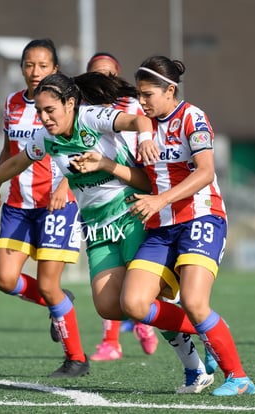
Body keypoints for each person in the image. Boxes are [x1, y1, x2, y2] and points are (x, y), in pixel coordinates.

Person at [0, 71, 212, 393]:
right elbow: (15, 163)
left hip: (130, 214)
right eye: (39, 112)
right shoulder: (47, 138)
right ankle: (207, 329)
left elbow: (139, 121)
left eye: (50, 110)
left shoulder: (92, 117)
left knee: (142, 300)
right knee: (108, 306)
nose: (44, 118)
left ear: (71, 103)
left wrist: (146, 139)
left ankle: (196, 367)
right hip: (97, 227)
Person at [73, 56, 255, 396]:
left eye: (148, 95)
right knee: (135, 304)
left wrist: (160, 199)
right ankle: (208, 333)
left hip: (202, 219)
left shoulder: (192, 117)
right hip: (161, 228)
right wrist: (107, 164)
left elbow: (206, 172)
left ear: (170, 90)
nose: (142, 102)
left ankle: (239, 377)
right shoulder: (146, 127)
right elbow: (144, 178)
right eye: (139, 95)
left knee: (194, 300)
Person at [0, 38, 88, 378]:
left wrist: (65, 184)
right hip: (18, 205)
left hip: (56, 204)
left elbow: (82, 148)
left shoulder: (67, 104)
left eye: (43, 65)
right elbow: (9, 150)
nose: (34, 71)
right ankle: (60, 301)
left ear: (54, 69)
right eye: (29, 65)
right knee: (3, 278)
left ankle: (76, 359)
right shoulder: (13, 103)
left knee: (47, 284)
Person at [85, 52, 159, 360]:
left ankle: (161, 322)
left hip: (139, 197)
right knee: (109, 286)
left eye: (110, 76)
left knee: (141, 278)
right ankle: (112, 340)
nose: (104, 82)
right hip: (102, 207)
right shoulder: (83, 113)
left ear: (119, 78)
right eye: (96, 76)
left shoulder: (133, 108)